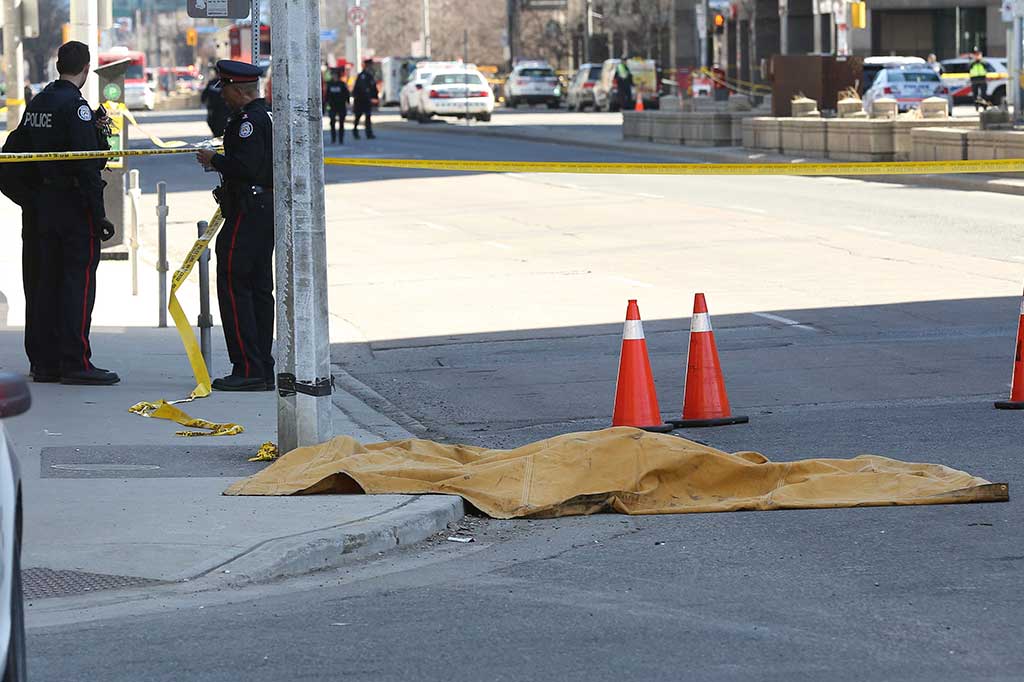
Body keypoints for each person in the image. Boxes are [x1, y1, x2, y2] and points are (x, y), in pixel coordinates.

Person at [18, 41, 118, 385]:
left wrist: (29, 198)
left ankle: (45, 363)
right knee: (77, 284)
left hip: (42, 208)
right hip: (73, 209)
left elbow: (16, 153)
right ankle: (76, 362)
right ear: (86, 69)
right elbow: (87, 165)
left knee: (44, 284)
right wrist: (99, 214)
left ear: (58, 65)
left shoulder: (38, 102)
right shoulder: (77, 108)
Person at [196, 60, 275, 392]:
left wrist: (214, 159)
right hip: (259, 210)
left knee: (235, 285)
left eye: (225, 90)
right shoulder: (260, 117)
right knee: (258, 288)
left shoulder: (249, 123)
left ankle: (247, 367)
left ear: (239, 91)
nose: (222, 96)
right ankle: (261, 365)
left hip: (247, 211)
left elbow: (246, 167)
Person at [351, 59, 377, 139]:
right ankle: (355, 131)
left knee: (368, 116)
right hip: (361, 100)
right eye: (370, 65)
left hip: (367, 100)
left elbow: (373, 88)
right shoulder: (362, 75)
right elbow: (361, 88)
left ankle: (368, 133)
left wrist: (374, 97)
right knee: (358, 116)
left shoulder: (370, 75)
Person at [201, 68, 230, 137]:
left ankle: (220, 135)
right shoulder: (212, 83)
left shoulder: (226, 83)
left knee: (220, 123)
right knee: (212, 122)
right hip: (214, 108)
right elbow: (205, 93)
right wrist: (203, 100)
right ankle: (217, 135)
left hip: (223, 108)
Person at [324, 71, 350, 145]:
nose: (334, 77)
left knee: (341, 123)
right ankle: (333, 138)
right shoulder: (330, 84)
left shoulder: (342, 84)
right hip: (332, 106)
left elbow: (347, 94)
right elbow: (327, 95)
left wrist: (348, 102)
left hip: (341, 106)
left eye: (335, 75)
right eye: (333, 75)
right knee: (332, 122)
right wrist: (325, 104)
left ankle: (341, 139)